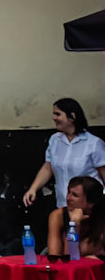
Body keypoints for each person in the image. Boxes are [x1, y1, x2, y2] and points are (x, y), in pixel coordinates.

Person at [23, 100, 105, 245]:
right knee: (66, 245)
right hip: (63, 203)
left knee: (85, 247)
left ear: (72, 117)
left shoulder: (94, 143)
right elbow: (48, 167)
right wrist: (33, 188)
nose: (54, 118)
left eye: (58, 114)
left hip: (89, 207)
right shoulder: (55, 140)